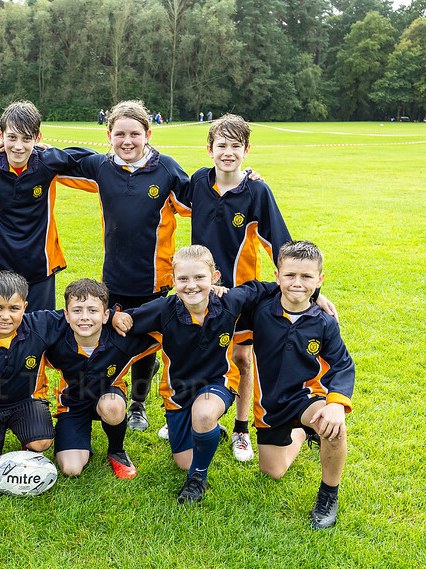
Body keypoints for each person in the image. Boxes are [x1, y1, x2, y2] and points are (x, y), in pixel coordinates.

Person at [112, 245, 335, 505]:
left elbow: (268, 287)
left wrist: (315, 295)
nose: (191, 286)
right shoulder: (164, 308)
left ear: (215, 278)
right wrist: (119, 318)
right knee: (184, 461)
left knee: (204, 415)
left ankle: (198, 478)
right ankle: (215, 433)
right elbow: (129, 319)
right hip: (178, 394)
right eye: (183, 279)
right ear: (172, 281)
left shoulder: (229, 301)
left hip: (219, 383)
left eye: (200, 278)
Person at [55, 100, 192, 432]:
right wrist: (11, 145)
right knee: (112, 341)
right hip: (113, 280)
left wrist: (245, 177)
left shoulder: (168, 169)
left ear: (148, 134)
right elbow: (54, 158)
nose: (127, 141)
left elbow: (202, 199)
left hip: (154, 282)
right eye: (120, 134)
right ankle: (102, 397)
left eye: (135, 134)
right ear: (109, 135)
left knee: (147, 346)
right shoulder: (102, 168)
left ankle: (139, 405)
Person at [174, 114, 291, 462]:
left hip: (242, 293)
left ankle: (241, 428)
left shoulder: (257, 189)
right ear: (209, 149)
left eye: (235, 146)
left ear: (247, 150)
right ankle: (188, 413)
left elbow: (279, 243)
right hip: (201, 290)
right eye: (221, 146)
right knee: (198, 351)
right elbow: (166, 197)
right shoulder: (197, 182)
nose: (228, 153)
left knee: (241, 357)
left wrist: (305, 288)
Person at [241, 241, 354, 529]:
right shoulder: (260, 310)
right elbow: (226, 308)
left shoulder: (325, 322)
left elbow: (342, 364)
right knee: (273, 472)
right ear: (277, 275)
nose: (297, 283)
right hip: (269, 406)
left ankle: (328, 495)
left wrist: (336, 405)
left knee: (332, 428)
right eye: (290, 275)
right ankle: (302, 433)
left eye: (306, 277)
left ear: (319, 280)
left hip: (307, 396)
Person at [0, 101, 92, 312]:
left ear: (38, 139)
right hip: (2, 265)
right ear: (0, 135)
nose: (18, 146)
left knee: (40, 330)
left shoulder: (48, 161)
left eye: (26, 138)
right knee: (5, 328)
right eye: (12, 137)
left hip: (41, 266)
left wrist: (51, 150)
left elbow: (88, 155)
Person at [0, 271, 70, 477]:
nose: (5, 316)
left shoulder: (38, 325)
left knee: (41, 442)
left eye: (14, 308)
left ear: (25, 308)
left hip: (25, 401)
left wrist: (114, 315)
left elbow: (77, 314)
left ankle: (27, 437)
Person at [44, 279, 160, 479]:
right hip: (74, 401)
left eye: (93, 310)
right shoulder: (55, 340)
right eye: (77, 310)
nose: (85, 317)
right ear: (66, 315)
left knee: (112, 406)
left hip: (108, 393)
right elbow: (20, 325)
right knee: (71, 470)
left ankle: (116, 450)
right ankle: (78, 433)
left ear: (106, 315)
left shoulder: (120, 339)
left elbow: (166, 323)